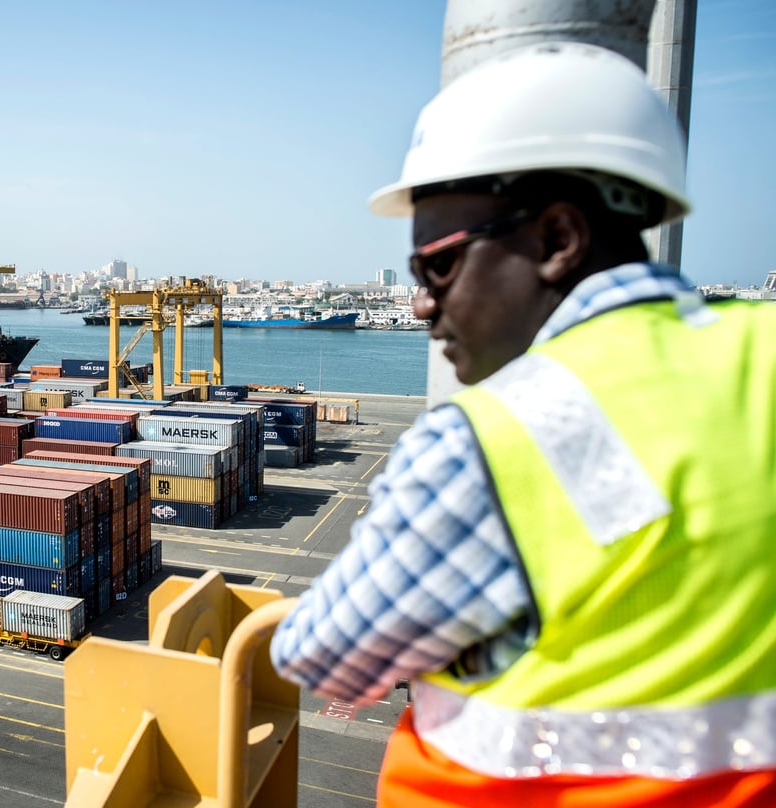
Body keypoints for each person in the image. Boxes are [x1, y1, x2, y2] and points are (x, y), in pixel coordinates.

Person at [269, 41, 776, 807]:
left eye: (437, 266)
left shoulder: (498, 437)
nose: (421, 304)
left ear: (556, 240)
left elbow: (324, 657)